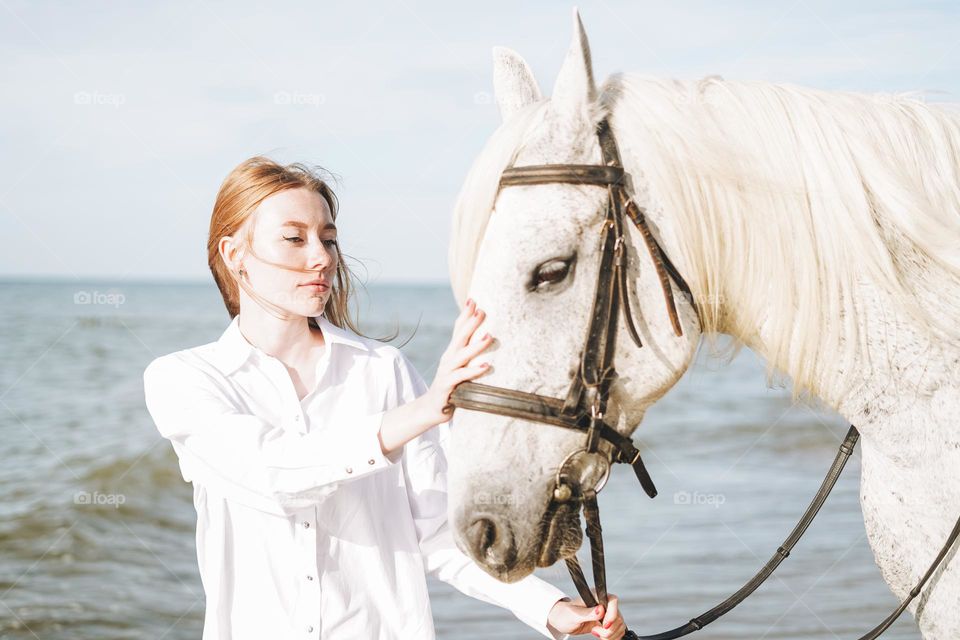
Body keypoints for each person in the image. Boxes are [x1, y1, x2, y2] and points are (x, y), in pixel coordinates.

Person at [142, 156, 628, 640]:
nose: (321, 257)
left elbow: (438, 533)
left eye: (328, 239)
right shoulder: (183, 379)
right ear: (234, 255)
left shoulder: (382, 370)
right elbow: (272, 474)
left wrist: (550, 607)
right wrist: (420, 412)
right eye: (294, 239)